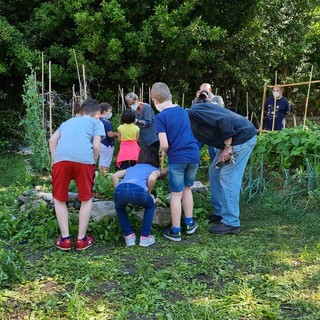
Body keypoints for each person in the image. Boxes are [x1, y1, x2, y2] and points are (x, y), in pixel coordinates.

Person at [188, 101, 257, 234]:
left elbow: (224, 120)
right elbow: (197, 144)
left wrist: (227, 147)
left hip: (241, 138)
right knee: (214, 171)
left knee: (228, 176)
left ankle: (231, 222)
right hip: (231, 141)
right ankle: (220, 212)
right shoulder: (190, 120)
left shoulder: (194, 113)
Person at [49, 98, 105, 250]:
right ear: (97, 115)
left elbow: (53, 140)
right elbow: (96, 146)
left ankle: (65, 239)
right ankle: (82, 239)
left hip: (61, 160)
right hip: (84, 161)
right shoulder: (97, 123)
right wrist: (92, 162)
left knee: (59, 198)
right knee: (86, 198)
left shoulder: (67, 122)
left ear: (81, 112)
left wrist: (56, 160)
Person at [152, 82, 200, 242]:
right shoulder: (183, 111)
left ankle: (175, 230)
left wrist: (161, 151)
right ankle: (190, 223)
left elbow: (164, 144)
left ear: (155, 100)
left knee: (175, 194)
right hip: (193, 155)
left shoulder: (160, 117)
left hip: (178, 158)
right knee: (187, 189)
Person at [112, 146, 163, 247]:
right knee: (150, 206)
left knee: (119, 207)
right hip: (138, 190)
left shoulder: (132, 168)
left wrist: (118, 190)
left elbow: (114, 176)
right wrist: (148, 192)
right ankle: (145, 237)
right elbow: (152, 179)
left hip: (120, 189)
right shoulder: (154, 169)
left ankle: (129, 237)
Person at [192, 83, 225, 162]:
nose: (203, 92)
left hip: (213, 131)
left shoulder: (217, 98)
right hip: (201, 131)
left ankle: (216, 172)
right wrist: (196, 99)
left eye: (205, 90)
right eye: (201, 91)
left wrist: (208, 100)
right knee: (193, 151)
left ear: (210, 90)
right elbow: (192, 111)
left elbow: (220, 109)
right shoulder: (199, 101)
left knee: (213, 154)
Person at [99, 102, 118, 175]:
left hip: (100, 143)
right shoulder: (106, 122)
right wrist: (116, 134)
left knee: (102, 161)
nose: (110, 113)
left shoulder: (98, 120)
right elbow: (109, 134)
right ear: (104, 111)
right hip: (107, 144)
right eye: (109, 111)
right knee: (106, 162)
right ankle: (106, 177)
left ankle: (101, 176)